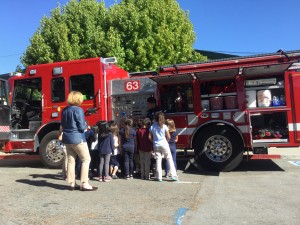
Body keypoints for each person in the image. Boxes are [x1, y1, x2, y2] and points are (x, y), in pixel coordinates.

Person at [61, 91, 97, 191]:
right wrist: (87, 126)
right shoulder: (78, 110)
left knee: (71, 161)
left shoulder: (65, 110)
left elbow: (62, 125)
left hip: (67, 138)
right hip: (77, 137)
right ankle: (85, 183)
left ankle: (72, 183)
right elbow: (81, 126)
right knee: (86, 159)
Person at [149, 112, 178, 182]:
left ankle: (159, 177)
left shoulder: (152, 126)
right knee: (169, 158)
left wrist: (153, 141)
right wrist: (166, 142)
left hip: (156, 145)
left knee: (158, 160)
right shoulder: (165, 126)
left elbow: (149, 137)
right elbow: (168, 136)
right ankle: (173, 175)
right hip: (164, 144)